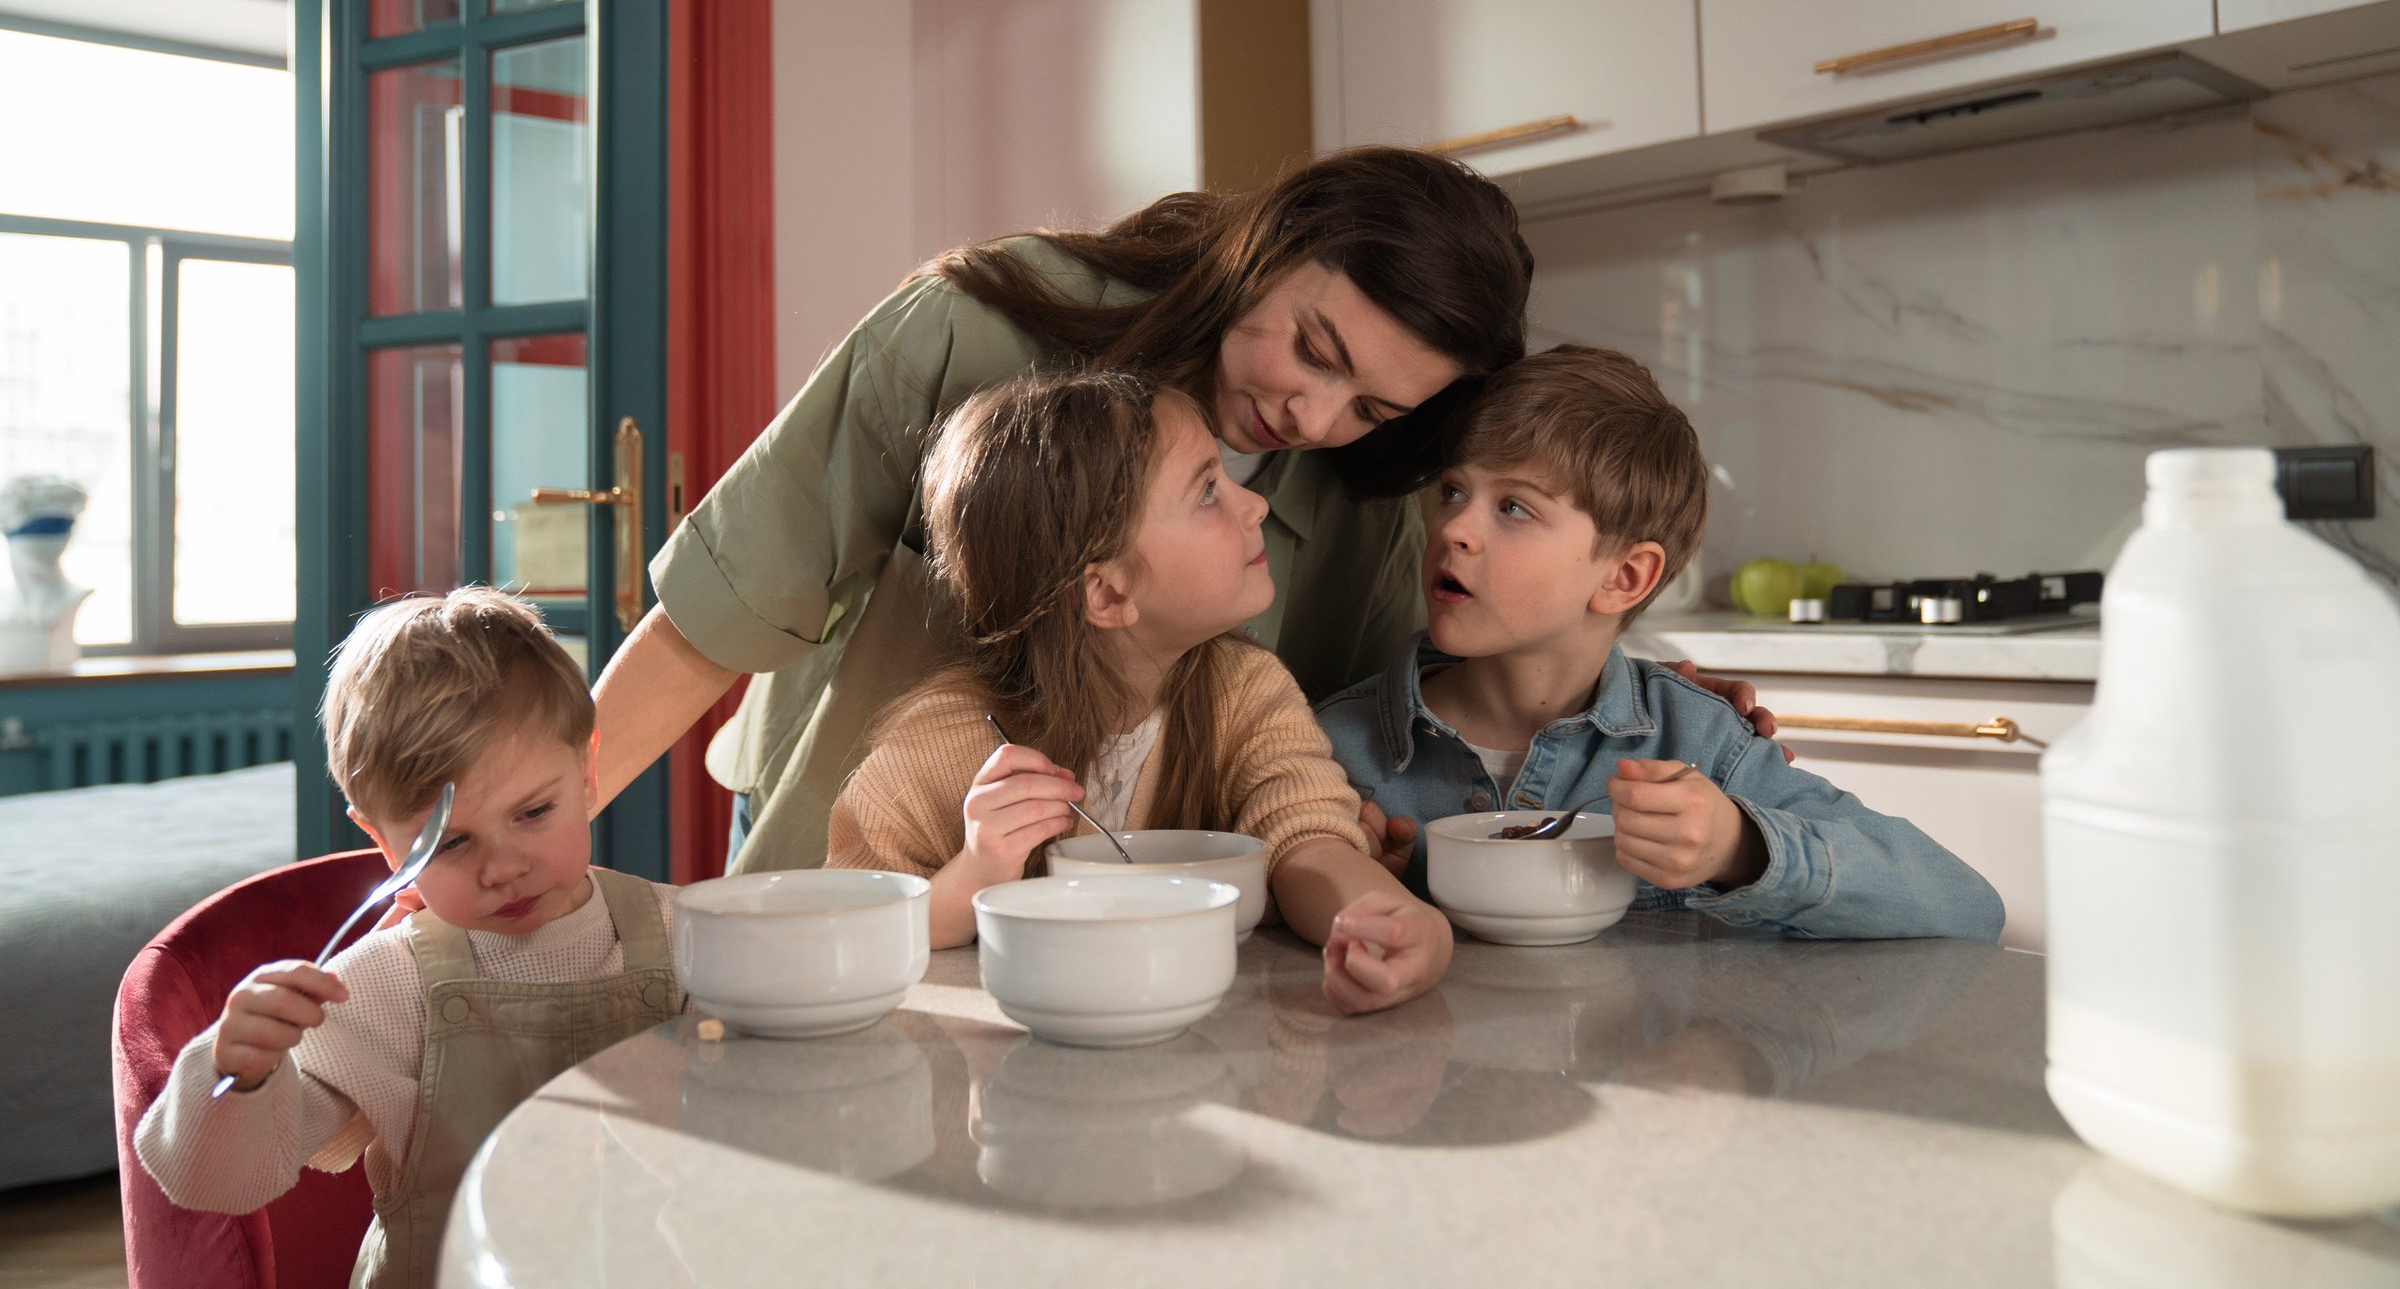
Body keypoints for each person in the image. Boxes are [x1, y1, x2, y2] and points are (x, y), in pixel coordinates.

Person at [584, 146, 1776, 873]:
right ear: (1272, 241)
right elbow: (726, 606)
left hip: (1157, 933)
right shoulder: (982, 328)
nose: (1312, 417)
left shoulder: (1372, 486)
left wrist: (1634, 688)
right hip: (863, 874)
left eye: (1368, 407)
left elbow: (1407, 697)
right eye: (1312, 349)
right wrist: (521, 823)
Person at [1318, 346, 2004, 940]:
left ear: (1624, 576)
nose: (1456, 529)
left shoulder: (1700, 746)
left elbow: (1967, 905)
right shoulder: (1332, 749)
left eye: (1514, 507)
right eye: (1454, 492)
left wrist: (1739, 847)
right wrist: (1338, 892)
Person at [824, 368, 1451, 1013]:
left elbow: (1306, 837)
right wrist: (974, 878)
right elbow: (841, 930)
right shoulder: (941, 744)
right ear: (1107, 592)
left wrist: (1392, 919)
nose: (1255, 504)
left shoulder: (1246, 692)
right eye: (1208, 491)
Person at [134, 589, 684, 1289]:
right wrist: (236, 1073)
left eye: (533, 812)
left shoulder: (688, 940)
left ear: (586, 767)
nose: (502, 867)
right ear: (381, 841)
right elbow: (213, 1184)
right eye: (451, 844)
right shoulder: (389, 983)